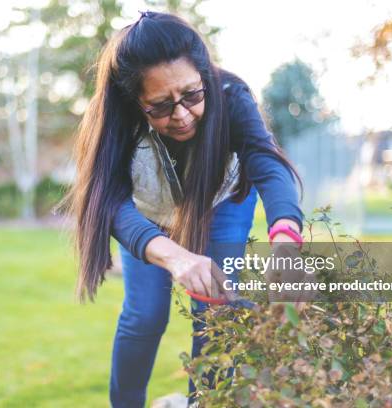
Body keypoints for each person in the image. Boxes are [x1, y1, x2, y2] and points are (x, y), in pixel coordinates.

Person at [66, 11, 304, 408]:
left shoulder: (230, 95)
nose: (181, 114)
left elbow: (267, 164)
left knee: (217, 315)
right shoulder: (113, 118)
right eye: (160, 105)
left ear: (204, 77)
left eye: (192, 95)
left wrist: (286, 244)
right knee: (145, 316)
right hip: (147, 216)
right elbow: (109, 203)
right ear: (134, 100)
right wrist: (175, 256)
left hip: (222, 203)